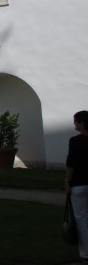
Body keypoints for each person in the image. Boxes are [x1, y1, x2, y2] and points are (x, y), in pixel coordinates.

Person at [67, 110, 88, 262]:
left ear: (82, 123)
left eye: (76, 121)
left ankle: (85, 253)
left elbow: (71, 163)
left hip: (79, 183)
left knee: (81, 219)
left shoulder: (75, 141)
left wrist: (67, 181)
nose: (74, 123)